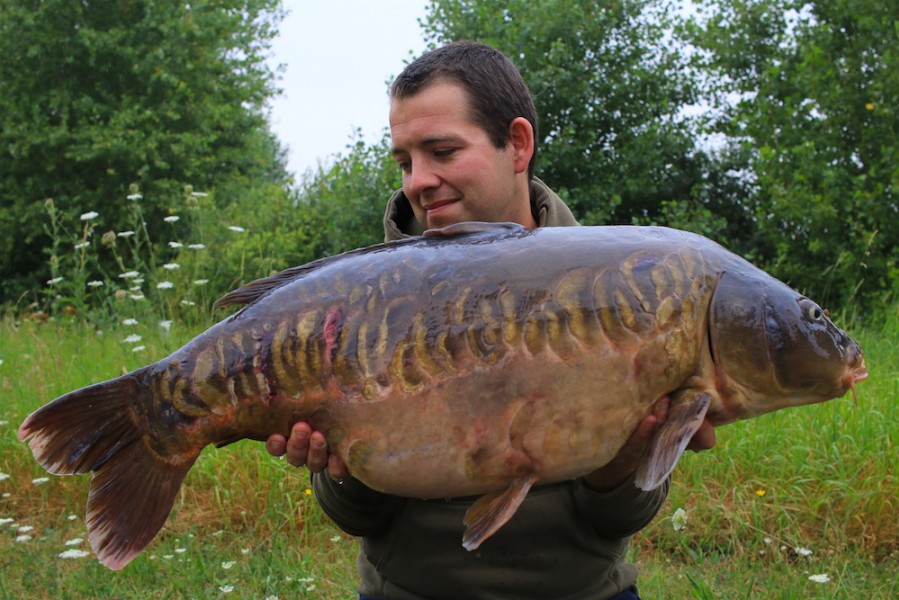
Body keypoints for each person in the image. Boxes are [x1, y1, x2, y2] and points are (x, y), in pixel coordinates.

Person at [266, 41, 716, 600]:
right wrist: (339, 469)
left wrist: (623, 462)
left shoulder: (618, 293)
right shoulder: (355, 311)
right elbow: (357, 518)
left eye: (443, 151)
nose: (417, 181)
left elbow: (619, 519)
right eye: (405, 162)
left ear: (518, 144)